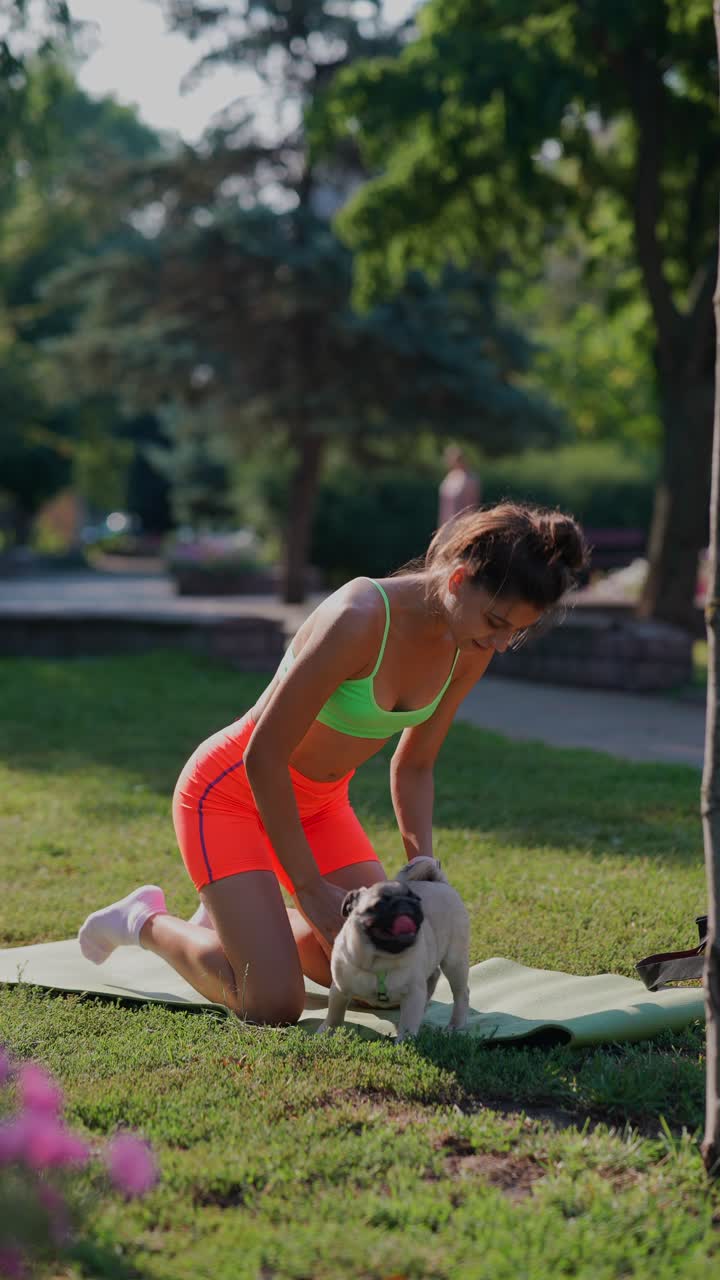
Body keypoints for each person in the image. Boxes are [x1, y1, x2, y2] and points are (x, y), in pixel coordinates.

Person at [78, 501, 588, 1026]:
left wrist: (424, 875)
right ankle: (141, 919)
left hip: (319, 807)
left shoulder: (470, 645)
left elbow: (414, 766)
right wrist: (309, 890)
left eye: (515, 633)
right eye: (497, 623)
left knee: (382, 976)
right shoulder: (359, 617)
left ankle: (242, 919)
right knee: (271, 1004)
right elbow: (265, 755)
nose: (502, 643)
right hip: (231, 793)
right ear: (458, 579)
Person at [438, 445, 481, 526]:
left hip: (462, 523)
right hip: (447, 522)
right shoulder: (451, 475)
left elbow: (472, 505)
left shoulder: (470, 479)